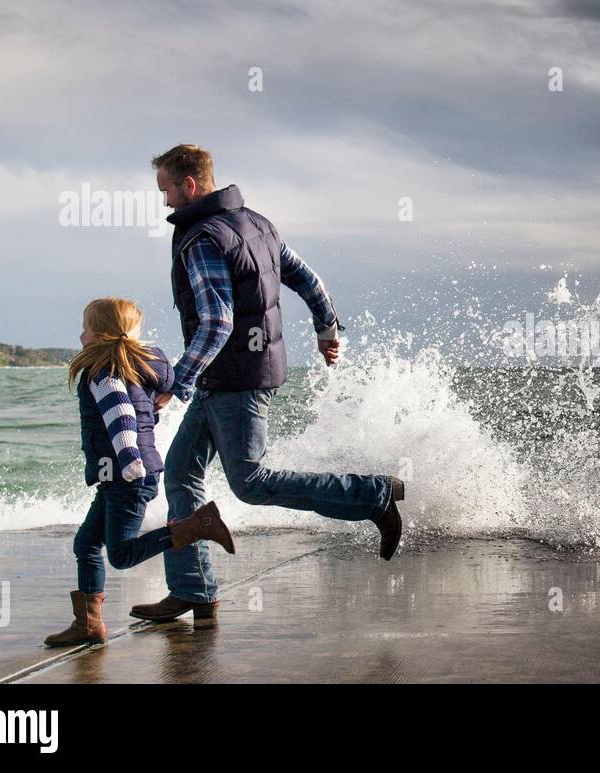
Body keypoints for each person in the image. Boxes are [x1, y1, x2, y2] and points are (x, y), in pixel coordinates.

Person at [129, 145, 404, 624]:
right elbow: (309, 279)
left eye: (168, 190)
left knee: (251, 483)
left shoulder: (201, 238)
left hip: (233, 379)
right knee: (180, 474)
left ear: (189, 186)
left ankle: (374, 494)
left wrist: (178, 381)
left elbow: (216, 322)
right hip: (238, 373)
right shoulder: (259, 224)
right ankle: (194, 590)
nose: (167, 202)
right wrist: (326, 329)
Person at [46, 297, 233, 646]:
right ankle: (88, 624)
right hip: (122, 476)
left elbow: (122, 417)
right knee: (86, 543)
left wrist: (130, 458)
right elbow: (152, 401)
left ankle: (197, 525)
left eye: (85, 328)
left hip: (127, 474)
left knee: (121, 554)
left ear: (101, 333)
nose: (80, 335)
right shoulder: (135, 369)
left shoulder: (103, 372)